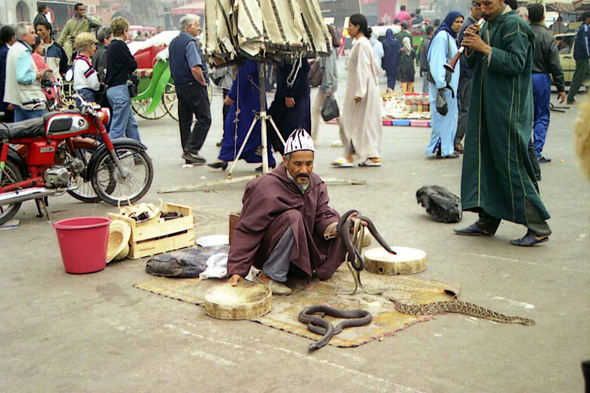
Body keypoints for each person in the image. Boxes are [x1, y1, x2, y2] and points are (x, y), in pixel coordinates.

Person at [456, 0, 551, 246]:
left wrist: (485, 48)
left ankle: (538, 226)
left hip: (508, 107)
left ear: (501, 1)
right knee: (485, 160)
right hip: (487, 105)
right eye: (478, 4)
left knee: (511, 165)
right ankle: (487, 221)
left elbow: (517, 63)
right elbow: (472, 63)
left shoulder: (515, 25)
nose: (483, 9)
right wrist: (470, 47)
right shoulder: (489, 23)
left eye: (487, 3)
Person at [227, 130, 349, 295]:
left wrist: (337, 227)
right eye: (297, 164)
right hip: (269, 252)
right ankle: (268, 276)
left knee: (344, 222)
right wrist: (237, 270)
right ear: (285, 161)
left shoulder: (316, 183)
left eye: (309, 164)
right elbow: (248, 229)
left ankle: (306, 269)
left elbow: (322, 214)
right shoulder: (265, 187)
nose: (304, 170)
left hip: (301, 250)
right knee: (293, 217)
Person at [208, 60, 276, 171]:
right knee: (241, 127)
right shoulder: (248, 56)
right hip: (248, 96)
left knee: (244, 127)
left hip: (250, 98)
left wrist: (232, 95)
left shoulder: (249, 55)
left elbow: (243, 75)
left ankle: (267, 159)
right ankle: (224, 157)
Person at [336, 14, 382, 168]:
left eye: (350, 25)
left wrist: (359, 92)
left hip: (363, 90)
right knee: (360, 122)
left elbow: (364, 69)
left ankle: (366, 155)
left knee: (358, 122)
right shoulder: (361, 43)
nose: (348, 29)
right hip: (361, 88)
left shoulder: (362, 44)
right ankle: (355, 153)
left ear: (357, 27)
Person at [169, 14, 211, 165]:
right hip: (193, 86)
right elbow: (195, 68)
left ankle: (187, 151)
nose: (199, 28)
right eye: (197, 25)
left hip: (180, 86)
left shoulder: (174, 42)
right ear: (189, 27)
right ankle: (191, 150)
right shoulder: (190, 42)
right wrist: (203, 82)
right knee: (205, 118)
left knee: (185, 120)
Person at [528, 3, 566, 165]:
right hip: (541, 78)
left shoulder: (523, 34)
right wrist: (561, 87)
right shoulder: (547, 37)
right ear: (543, 18)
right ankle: (536, 152)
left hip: (523, 78)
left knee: (523, 115)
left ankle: (524, 151)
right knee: (541, 115)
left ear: (528, 17)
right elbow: (554, 64)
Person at [424, 11, 464, 159]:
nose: (459, 25)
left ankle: (445, 148)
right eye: (457, 22)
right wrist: (442, 83)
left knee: (448, 118)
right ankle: (444, 148)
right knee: (443, 117)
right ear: (450, 22)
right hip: (444, 86)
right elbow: (437, 61)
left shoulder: (450, 37)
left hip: (449, 86)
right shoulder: (442, 37)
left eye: (461, 22)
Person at [455, 1, 483, 154]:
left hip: (467, 74)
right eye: (478, 6)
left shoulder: (475, 24)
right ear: (472, 8)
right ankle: (456, 139)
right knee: (466, 108)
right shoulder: (470, 26)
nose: (481, 9)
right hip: (468, 74)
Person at [105, 17, 140, 141]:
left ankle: (138, 154)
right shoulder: (120, 45)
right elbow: (133, 65)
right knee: (117, 129)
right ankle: (108, 155)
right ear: (124, 31)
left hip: (112, 90)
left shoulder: (110, 47)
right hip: (120, 89)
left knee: (131, 125)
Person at [5, 23, 48, 122]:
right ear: (24, 36)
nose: (36, 35)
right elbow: (22, 77)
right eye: (32, 33)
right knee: (39, 133)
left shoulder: (14, 49)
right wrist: (39, 74)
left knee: (20, 134)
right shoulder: (23, 52)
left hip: (18, 100)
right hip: (30, 101)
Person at [267, 58, 311, 156]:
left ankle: (292, 155)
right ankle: (288, 154)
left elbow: (295, 69)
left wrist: (289, 92)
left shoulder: (294, 55)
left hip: (293, 96)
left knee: (291, 126)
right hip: (290, 94)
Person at [311, 24, 345, 145]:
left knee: (334, 111)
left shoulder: (327, 49)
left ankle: (345, 137)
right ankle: (313, 138)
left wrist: (328, 88)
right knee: (318, 109)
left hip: (327, 85)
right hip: (326, 85)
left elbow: (329, 69)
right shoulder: (328, 48)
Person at [567, 12, 590, 105]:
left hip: (580, 55)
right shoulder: (585, 27)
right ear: (587, 18)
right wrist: (588, 53)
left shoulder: (580, 27)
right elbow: (585, 42)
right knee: (578, 77)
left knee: (588, 75)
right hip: (582, 56)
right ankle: (570, 97)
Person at [73, 32, 99, 108]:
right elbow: (94, 84)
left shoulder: (77, 61)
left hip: (79, 93)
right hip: (87, 94)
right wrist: (98, 86)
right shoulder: (86, 63)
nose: (95, 48)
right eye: (94, 45)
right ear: (88, 47)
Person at [210, 64, 233, 147]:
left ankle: (227, 138)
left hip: (228, 86)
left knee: (227, 113)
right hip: (233, 85)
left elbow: (221, 72)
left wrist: (214, 72)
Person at [0, 26, 16, 123]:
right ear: (12, 37)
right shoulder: (6, 53)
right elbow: (4, 78)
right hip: (5, 99)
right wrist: (8, 101)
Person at [419, 26, 434, 94]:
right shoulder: (428, 42)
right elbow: (430, 55)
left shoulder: (424, 41)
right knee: (426, 85)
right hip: (427, 66)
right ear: (431, 32)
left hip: (424, 65)